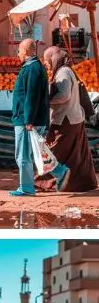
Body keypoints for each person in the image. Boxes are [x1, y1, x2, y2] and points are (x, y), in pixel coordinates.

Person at [36, 46, 97, 193]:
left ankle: (43, 182)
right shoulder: (66, 71)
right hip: (74, 118)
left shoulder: (63, 72)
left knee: (52, 150)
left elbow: (64, 95)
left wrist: (46, 101)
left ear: (54, 58)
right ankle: (82, 183)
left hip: (65, 120)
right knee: (77, 154)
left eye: (47, 60)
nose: (46, 63)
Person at [11, 39, 53, 197]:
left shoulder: (32, 68)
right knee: (29, 154)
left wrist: (28, 120)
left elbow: (31, 97)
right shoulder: (32, 67)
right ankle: (61, 173)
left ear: (27, 51)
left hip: (26, 121)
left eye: (20, 50)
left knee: (23, 155)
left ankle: (27, 188)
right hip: (27, 119)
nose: (18, 54)